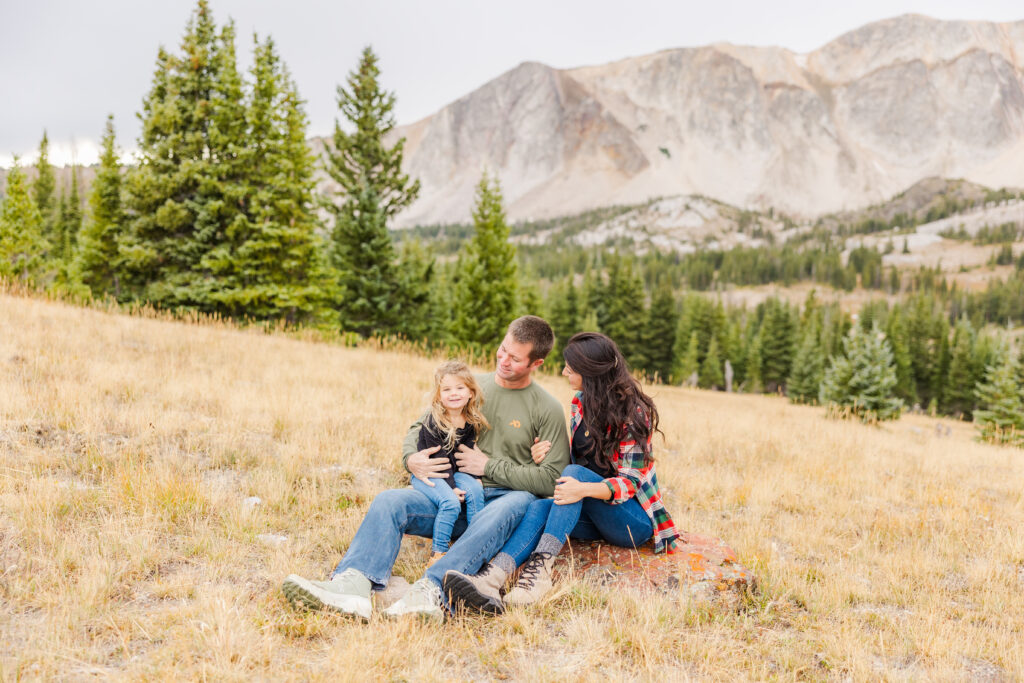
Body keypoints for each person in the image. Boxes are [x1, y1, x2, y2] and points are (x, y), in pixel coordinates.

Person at [282, 316, 570, 621]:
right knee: (390, 501)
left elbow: (553, 480)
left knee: (519, 499)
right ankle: (353, 586)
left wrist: (489, 466)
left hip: (502, 507)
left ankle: (431, 590)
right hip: (453, 499)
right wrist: (411, 459)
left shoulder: (546, 408)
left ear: (536, 363)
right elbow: (418, 428)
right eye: (502, 350)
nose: (503, 360)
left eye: (515, 358)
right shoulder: (470, 387)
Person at [443, 331, 683, 614]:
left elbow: (629, 482)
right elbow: (584, 462)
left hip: (631, 520)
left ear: (590, 371)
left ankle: (540, 571)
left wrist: (582, 488)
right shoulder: (581, 402)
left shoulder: (633, 412)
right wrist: (541, 457)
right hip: (593, 508)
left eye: (571, 366)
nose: (564, 370)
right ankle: (491, 578)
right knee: (538, 506)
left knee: (574, 476)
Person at [410, 360, 488, 565]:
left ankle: (473, 546)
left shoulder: (470, 420)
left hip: (454, 472)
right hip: (430, 474)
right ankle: (439, 553)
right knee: (451, 503)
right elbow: (440, 459)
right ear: (438, 395)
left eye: (460, 388)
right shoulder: (434, 421)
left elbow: (467, 451)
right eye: (447, 389)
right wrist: (452, 488)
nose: (454, 393)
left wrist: (476, 478)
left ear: (471, 392)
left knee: (476, 492)